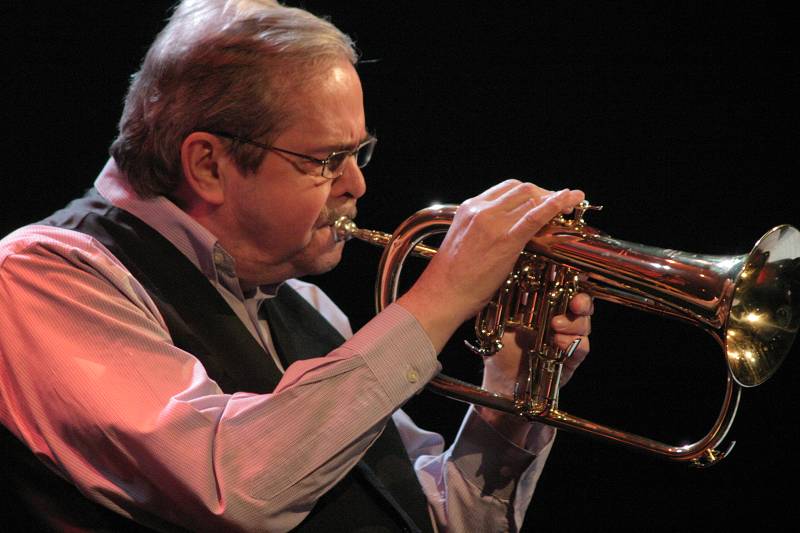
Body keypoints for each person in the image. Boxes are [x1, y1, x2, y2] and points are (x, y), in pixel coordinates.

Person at [0, 1, 593, 531]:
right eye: (326, 160)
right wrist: (443, 297)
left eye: (358, 153)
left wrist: (508, 399)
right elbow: (233, 491)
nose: (356, 184)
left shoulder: (299, 302)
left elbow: (420, 516)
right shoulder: (40, 274)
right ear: (208, 164)